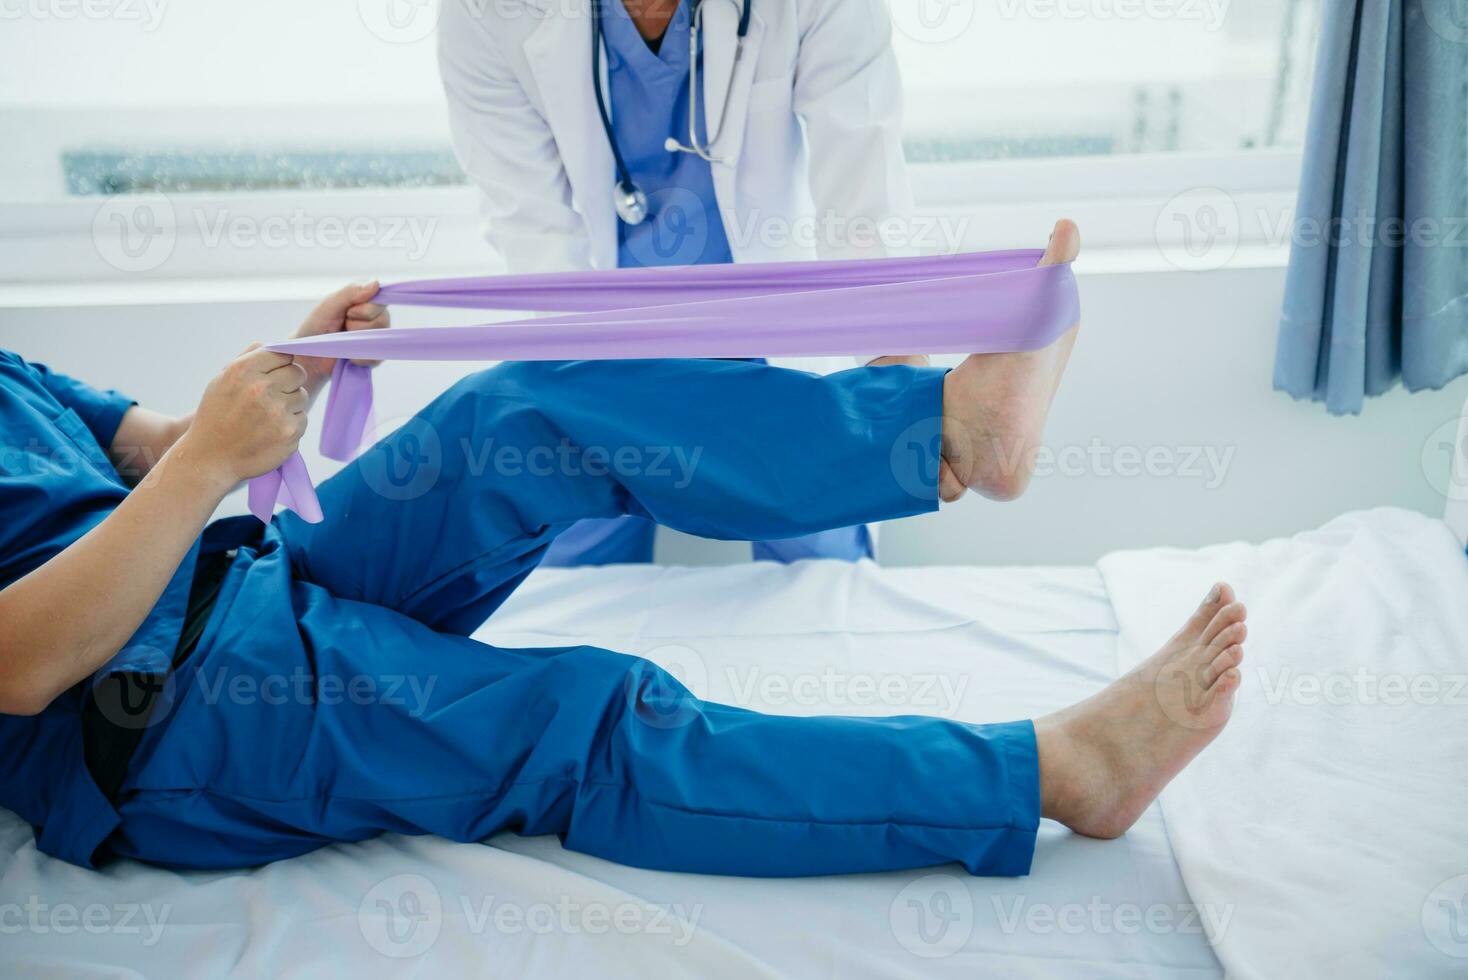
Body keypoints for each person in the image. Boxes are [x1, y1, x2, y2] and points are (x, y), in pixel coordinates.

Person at [0, 222, 1247, 875]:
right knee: (588, 719)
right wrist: (215, 457)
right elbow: (22, 663)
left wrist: (289, 371)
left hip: (239, 576)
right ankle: (1047, 773)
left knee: (522, 410)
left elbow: (140, 449)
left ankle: (939, 435)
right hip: (167, 710)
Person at [438, 0, 928, 567]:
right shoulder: (486, 12)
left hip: (776, 336)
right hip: (597, 354)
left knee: (823, 573)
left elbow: (863, 187)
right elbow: (531, 225)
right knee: (571, 586)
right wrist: (565, 394)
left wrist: (897, 372)